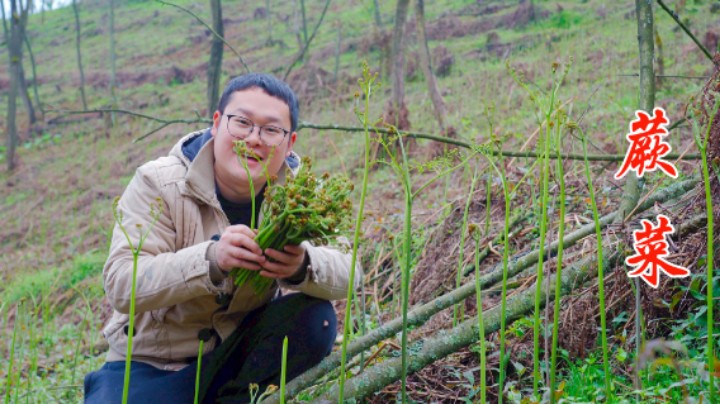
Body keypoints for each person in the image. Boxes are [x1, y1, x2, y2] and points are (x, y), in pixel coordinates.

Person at [84, 73, 361, 403]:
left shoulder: (301, 195)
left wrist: (301, 265)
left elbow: (351, 270)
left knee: (317, 320)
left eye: (271, 130)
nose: (254, 139)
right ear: (216, 123)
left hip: (239, 353)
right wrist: (210, 260)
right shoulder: (158, 182)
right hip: (154, 363)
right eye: (242, 122)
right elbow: (121, 283)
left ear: (290, 143)